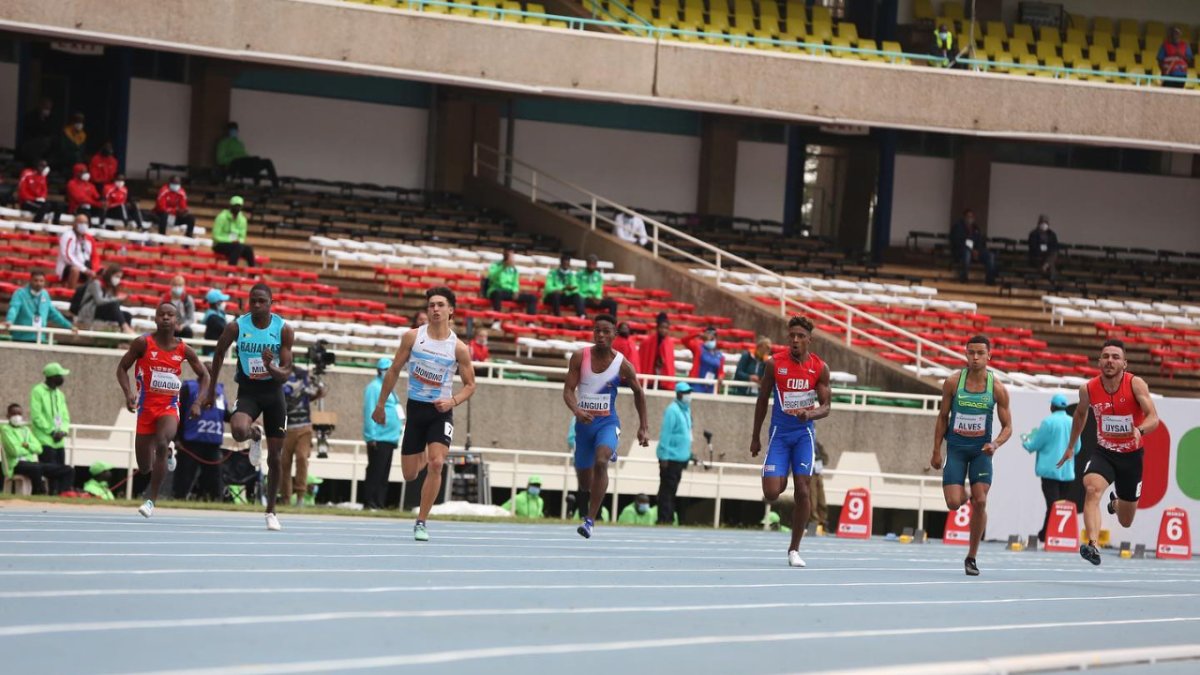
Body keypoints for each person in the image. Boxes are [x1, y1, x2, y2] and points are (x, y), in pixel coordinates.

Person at [372, 287, 477, 541]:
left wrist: (452, 401)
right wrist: (380, 405)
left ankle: (421, 521)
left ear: (451, 310)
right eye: (431, 305)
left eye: (440, 305)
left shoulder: (459, 348)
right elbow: (394, 370)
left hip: (440, 412)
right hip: (416, 410)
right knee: (409, 474)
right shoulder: (412, 337)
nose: (435, 309)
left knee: (437, 463)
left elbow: (471, 385)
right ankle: (422, 454)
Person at [1057, 339, 1160, 566]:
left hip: (1131, 457)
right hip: (1104, 452)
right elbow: (1080, 414)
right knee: (1091, 489)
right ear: (1099, 362)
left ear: (1124, 363)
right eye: (1105, 356)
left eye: (1115, 357)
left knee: (1126, 520)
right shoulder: (1088, 389)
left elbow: (1153, 417)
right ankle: (1092, 545)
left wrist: (1139, 430)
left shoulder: (1135, 384)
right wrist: (1071, 446)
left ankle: (1115, 505)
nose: (1110, 361)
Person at [207, 283, 296, 531]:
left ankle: (271, 511)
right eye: (253, 300)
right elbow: (218, 353)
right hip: (249, 391)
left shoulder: (283, 329)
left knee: (275, 458)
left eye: (261, 301)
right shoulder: (237, 326)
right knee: (238, 431)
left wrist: (270, 367)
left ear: (271, 303)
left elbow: (286, 374)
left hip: (273, 394)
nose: (256, 305)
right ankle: (255, 433)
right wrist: (210, 389)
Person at [750, 316, 832, 568]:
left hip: (804, 435)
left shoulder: (820, 368)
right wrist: (755, 437)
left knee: (804, 490)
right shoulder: (774, 364)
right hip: (779, 435)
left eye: (800, 336)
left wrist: (810, 414)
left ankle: (794, 549)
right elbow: (762, 400)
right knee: (771, 493)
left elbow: (826, 407)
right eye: (792, 335)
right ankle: (782, 473)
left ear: (809, 339)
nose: (795, 340)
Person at [931, 335, 1013, 576]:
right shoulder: (953, 382)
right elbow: (942, 417)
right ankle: (966, 493)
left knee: (981, 501)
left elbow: (1008, 427)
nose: (975, 357)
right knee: (953, 503)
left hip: (981, 453)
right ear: (966, 354)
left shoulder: (997, 388)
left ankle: (972, 556)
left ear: (989, 356)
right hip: (956, 450)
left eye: (980, 353)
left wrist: (995, 444)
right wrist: (936, 450)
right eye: (971, 353)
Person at [117, 303, 209, 518]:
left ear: (177, 321)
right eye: (162, 315)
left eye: (170, 315)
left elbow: (205, 375)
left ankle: (151, 500)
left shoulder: (183, 349)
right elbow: (122, 368)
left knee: (161, 442)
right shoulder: (142, 343)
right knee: (144, 467)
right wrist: (128, 393)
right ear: (156, 319)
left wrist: (198, 402)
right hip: (145, 408)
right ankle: (167, 453)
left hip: (169, 407)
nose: (166, 318)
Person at [563, 314, 650, 539]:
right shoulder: (580, 357)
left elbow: (639, 393)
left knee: (601, 462)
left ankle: (590, 520)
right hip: (583, 426)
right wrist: (577, 410)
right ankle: (607, 451)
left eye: (606, 331)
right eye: (597, 331)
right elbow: (568, 390)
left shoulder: (622, 364)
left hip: (607, 423)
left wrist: (643, 427)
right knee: (585, 483)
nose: (601, 335)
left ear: (614, 335)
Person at [1023, 393, 1078, 543]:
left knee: (1053, 505)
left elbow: (1034, 445)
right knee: (1058, 505)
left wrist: (1026, 441)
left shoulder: (1048, 422)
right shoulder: (1073, 422)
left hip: (1050, 471)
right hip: (1067, 472)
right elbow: (1077, 448)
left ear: (1052, 406)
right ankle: (1049, 534)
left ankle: (1046, 534)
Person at [175, 364, 227, 502]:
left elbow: (225, 414)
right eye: (207, 372)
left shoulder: (220, 390)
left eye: (213, 372)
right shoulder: (189, 388)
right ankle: (178, 499)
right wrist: (176, 438)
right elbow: (178, 412)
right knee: (185, 475)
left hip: (213, 442)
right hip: (190, 442)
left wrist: (245, 418)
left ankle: (214, 500)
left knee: (214, 477)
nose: (210, 375)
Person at [1, 402, 73, 495]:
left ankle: (64, 494)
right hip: (15, 464)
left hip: (30, 463)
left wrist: (27, 445)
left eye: (19, 414)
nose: (17, 416)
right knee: (36, 468)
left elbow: (39, 449)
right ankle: (39, 492)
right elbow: (14, 451)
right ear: (8, 416)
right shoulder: (5, 430)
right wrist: (29, 450)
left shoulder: (26, 430)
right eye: (14, 414)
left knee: (68, 469)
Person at [281, 363, 327, 507]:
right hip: (286, 428)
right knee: (284, 463)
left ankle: (300, 495)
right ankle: (286, 498)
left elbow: (316, 394)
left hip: (304, 427)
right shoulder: (277, 374)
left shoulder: (302, 374)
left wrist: (319, 386)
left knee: (301, 458)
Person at [363, 357, 403, 510]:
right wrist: (370, 436)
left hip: (389, 438)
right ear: (380, 371)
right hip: (379, 437)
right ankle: (369, 502)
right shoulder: (374, 387)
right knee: (375, 471)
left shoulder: (389, 389)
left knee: (384, 474)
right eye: (387, 369)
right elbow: (369, 411)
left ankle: (379, 502)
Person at [3, 270, 74, 342]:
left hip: (40, 337)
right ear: (30, 281)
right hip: (22, 337)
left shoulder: (45, 294)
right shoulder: (20, 293)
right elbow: (14, 308)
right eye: (36, 280)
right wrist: (9, 320)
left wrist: (69, 326)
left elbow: (54, 314)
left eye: (41, 281)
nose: (38, 283)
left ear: (44, 282)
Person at [657, 381, 693, 525]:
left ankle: (669, 517)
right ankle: (664, 518)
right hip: (670, 458)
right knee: (667, 490)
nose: (688, 395)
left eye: (689, 392)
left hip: (680, 458)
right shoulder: (672, 410)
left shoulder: (686, 410)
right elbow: (665, 434)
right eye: (686, 393)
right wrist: (664, 457)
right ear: (678, 394)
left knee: (672, 490)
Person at [30, 362, 73, 470]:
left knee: (61, 470)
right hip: (45, 439)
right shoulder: (37, 391)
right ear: (52, 377)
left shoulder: (60, 394)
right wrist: (52, 431)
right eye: (60, 375)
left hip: (59, 440)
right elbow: (36, 415)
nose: (62, 378)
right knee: (49, 471)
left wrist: (63, 431)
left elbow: (65, 415)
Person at [216, 122, 280, 188]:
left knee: (266, 161)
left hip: (246, 164)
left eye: (235, 130)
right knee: (253, 160)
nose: (234, 132)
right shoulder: (223, 143)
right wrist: (235, 158)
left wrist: (249, 159)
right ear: (228, 131)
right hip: (234, 165)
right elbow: (220, 160)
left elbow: (245, 155)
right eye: (232, 130)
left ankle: (276, 185)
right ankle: (256, 183)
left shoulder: (239, 143)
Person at [76, 264, 133, 333]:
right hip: (89, 311)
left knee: (127, 315)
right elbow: (99, 301)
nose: (118, 279)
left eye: (120, 277)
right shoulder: (96, 283)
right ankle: (125, 328)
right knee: (114, 303)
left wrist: (120, 299)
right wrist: (117, 298)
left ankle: (124, 336)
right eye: (117, 276)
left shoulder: (110, 287)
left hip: (100, 311)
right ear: (110, 275)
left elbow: (110, 302)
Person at [484, 247, 538, 319]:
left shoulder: (513, 269)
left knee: (532, 298)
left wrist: (515, 291)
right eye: (510, 256)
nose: (512, 258)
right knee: (497, 294)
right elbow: (492, 277)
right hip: (497, 290)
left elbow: (515, 282)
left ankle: (530, 322)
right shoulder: (496, 265)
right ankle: (496, 320)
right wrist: (503, 266)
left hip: (510, 293)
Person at [949, 209, 996, 285]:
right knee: (966, 253)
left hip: (975, 252)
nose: (970, 218)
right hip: (961, 252)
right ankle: (964, 277)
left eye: (972, 216)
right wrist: (972, 250)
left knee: (990, 255)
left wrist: (977, 250)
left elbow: (979, 242)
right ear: (964, 217)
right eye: (968, 216)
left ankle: (990, 280)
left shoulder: (976, 228)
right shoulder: (958, 227)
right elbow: (959, 241)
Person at [636, 312, 676, 390]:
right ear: (657, 328)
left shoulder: (669, 343)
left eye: (666, 328)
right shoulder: (647, 342)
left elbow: (669, 364)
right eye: (662, 327)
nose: (664, 330)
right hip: (649, 377)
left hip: (663, 378)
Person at [212, 196, 256, 266]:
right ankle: (230, 269)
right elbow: (216, 236)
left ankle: (253, 270)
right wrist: (230, 241)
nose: (237, 208)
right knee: (238, 247)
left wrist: (238, 241)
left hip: (236, 244)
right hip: (219, 244)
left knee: (248, 249)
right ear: (231, 206)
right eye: (236, 206)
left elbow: (242, 236)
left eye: (239, 206)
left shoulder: (242, 220)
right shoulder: (222, 217)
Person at [57, 214, 97, 289]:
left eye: (86, 223)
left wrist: (92, 270)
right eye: (81, 223)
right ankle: (71, 294)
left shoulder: (88, 239)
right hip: (68, 266)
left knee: (98, 272)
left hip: (84, 266)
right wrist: (84, 269)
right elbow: (67, 256)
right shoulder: (68, 236)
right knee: (75, 270)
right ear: (75, 224)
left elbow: (92, 256)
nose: (84, 225)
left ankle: (88, 294)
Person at [686, 326, 725, 394]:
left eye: (712, 338)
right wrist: (698, 334)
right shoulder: (698, 348)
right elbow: (684, 340)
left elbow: (721, 371)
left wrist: (721, 376)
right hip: (696, 384)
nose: (710, 339)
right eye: (708, 337)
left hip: (710, 386)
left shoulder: (720, 356)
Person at [18, 98, 57, 164]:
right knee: (45, 142)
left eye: (49, 109)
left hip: (45, 143)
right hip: (30, 142)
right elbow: (31, 131)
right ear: (40, 106)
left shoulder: (50, 119)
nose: (47, 111)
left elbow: (51, 131)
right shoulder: (31, 116)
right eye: (46, 108)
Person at [542, 252, 581, 317]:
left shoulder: (571, 275)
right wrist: (557, 290)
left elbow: (575, 287)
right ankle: (557, 316)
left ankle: (581, 316)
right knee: (556, 295)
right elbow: (548, 287)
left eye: (567, 263)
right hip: (552, 296)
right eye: (564, 263)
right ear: (561, 263)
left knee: (577, 296)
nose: (566, 265)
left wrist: (567, 290)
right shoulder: (553, 273)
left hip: (564, 296)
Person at [1027, 215, 1059, 280]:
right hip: (1037, 256)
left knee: (1054, 253)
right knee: (1051, 264)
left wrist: (1046, 249)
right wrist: (1044, 249)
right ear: (1039, 223)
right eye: (1042, 222)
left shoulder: (1052, 234)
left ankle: (1045, 266)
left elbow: (1054, 246)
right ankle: (1047, 268)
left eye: (1046, 222)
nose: (1044, 224)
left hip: (1048, 255)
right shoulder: (1033, 234)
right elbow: (1033, 247)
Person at [202, 289, 232, 354]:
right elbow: (226, 329)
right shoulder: (212, 317)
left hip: (218, 349)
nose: (223, 303)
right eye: (221, 301)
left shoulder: (219, 313)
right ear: (217, 303)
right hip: (212, 351)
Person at [809, 442, 829, 530]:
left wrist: (819, 459)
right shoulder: (805, 442)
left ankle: (823, 522)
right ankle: (814, 524)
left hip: (818, 472)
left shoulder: (817, 444)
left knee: (822, 500)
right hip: (810, 474)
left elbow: (826, 458)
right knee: (812, 500)